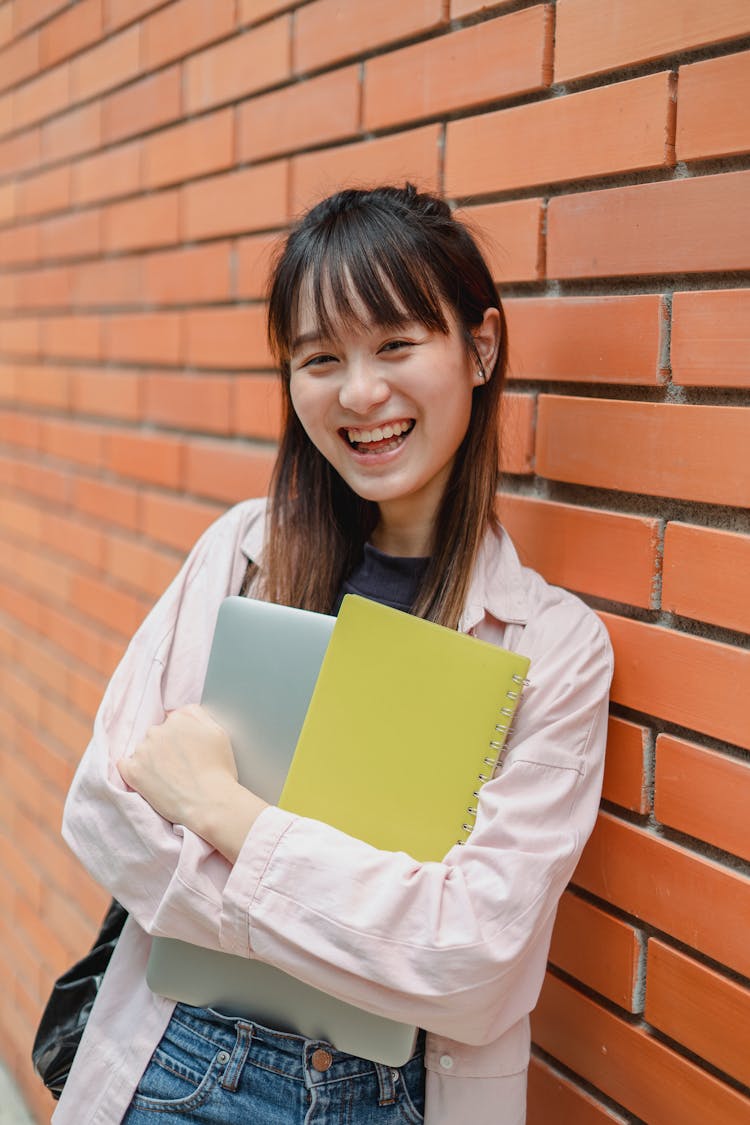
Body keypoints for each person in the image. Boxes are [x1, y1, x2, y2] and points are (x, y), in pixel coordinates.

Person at [55, 185, 613, 1125]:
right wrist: (358, 924)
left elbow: (469, 957)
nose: (360, 393)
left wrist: (225, 812)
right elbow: (106, 813)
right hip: (182, 1058)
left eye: (396, 344)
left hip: (393, 1096)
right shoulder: (241, 553)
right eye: (320, 358)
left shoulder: (553, 647)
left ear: (480, 347)